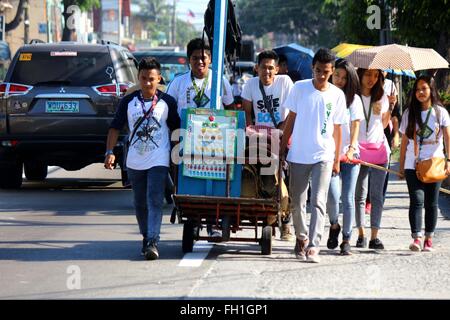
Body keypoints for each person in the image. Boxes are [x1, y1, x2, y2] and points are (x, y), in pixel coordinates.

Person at [104, 57, 180, 260]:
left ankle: (153, 241)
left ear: (159, 79)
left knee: (154, 199)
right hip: (135, 160)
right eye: (144, 78)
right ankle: (146, 237)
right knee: (139, 203)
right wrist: (109, 152)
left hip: (159, 158)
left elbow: (176, 128)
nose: (147, 83)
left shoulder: (167, 102)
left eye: (152, 79)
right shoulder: (128, 102)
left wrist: (178, 154)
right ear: (138, 78)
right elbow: (115, 127)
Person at [280, 48, 346, 263]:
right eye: (318, 70)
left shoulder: (337, 95)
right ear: (312, 68)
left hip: (324, 155)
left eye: (326, 72)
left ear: (332, 71)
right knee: (297, 201)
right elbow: (290, 119)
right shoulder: (299, 88)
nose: (321, 75)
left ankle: (314, 245)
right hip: (298, 154)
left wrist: (337, 158)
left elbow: (337, 129)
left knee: (318, 200)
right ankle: (301, 236)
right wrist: (282, 147)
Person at [166, 38, 235, 238]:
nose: (200, 62)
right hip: (187, 141)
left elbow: (230, 108)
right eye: (196, 58)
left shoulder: (219, 80)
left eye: (204, 58)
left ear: (211, 59)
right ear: (189, 60)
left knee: (214, 182)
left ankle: (214, 223)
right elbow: (169, 110)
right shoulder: (179, 82)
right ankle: (193, 219)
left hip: (217, 142)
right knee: (191, 183)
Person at [241, 50, 294, 241]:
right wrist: (250, 134)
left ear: (277, 69)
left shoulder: (285, 83)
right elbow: (247, 114)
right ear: (257, 68)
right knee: (255, 172)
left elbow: (291, 111)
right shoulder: (250, 84)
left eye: (271, 68)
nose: (267, 72)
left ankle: (286, 221)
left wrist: (282, 131)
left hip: (281, 134)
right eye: (263, 67)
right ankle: (264, 212)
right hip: (258, 136)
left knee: (284, 175)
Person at [398, 75, 450, 252]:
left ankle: (429, 237)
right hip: (413, 163)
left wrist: (449, 160)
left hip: (435, 162)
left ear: (431, 90)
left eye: (424, 88)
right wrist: (401, 164)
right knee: (417, 200)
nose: (420, 92)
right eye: (417, 89)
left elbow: (448, 138)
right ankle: (417, 238)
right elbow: (404, 141)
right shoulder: (408, 113)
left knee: (432, 203)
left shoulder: (440, 112)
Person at [326, 59, 364, 255]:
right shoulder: (327, 96)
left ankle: (347, 238)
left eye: (344, 77)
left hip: (350, 156)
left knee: (348, 198)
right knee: (332, 196)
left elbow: (355, 126)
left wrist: (351, 149)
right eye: (337, 76)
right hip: (330, 154)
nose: (339, 80)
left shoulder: (354, 100)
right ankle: (334, 225)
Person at [354, 68, 391, 250]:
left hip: (379, 150)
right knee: (359, 195)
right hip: (358, 150)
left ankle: (374, 237)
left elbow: (383, 125)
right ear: (360, 75)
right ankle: (361, 234)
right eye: (368, 74)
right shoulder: (352, 97)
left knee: (377, 196)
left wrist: (389, 108)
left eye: (376, 76)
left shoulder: (382, 97)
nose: (372, 79)